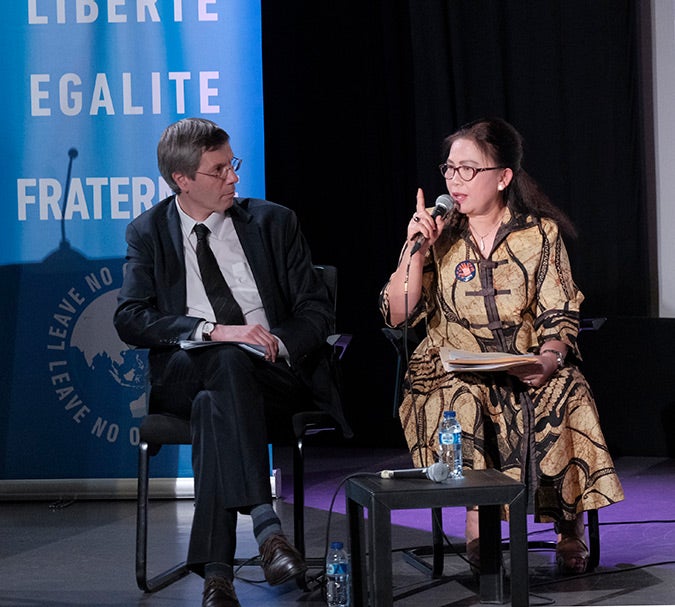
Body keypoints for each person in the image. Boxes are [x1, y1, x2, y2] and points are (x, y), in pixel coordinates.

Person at [114, 117, 350, 607]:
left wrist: (275, 342)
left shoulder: (273, 221)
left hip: (272, 374)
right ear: (182, 179)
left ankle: (217, 573)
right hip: (186, 370)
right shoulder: (148, 232)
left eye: (232, 165)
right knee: (221, 360)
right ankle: (266, 525)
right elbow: (131, 318)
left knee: (213, 402)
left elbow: (315, 309)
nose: (234, 179)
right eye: (220, 170)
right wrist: (213, 331)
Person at [379, 117, 624, 575]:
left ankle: (566, 526)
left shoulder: (539, 234)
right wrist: (416, 248)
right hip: (451, 366)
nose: (455, 180)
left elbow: (559, 313)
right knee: (461, 400)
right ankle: (478, 524)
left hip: (522, 359)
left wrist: (548, 358)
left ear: (503, 177)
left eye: (468, 169)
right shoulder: (436, 233)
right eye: (450, 169)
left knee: (565, 390)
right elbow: (398, 313)